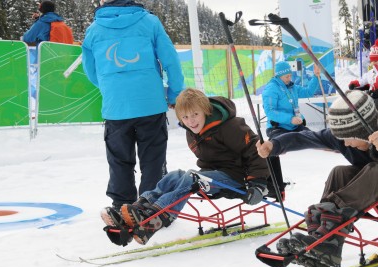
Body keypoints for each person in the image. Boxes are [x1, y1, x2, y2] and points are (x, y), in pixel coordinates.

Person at [256, 90, 378, 267]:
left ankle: (326, 236)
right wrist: (274, 145)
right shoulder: (345, 137)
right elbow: (307, 137)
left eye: (349, 138)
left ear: (364, 132)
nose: (345, 144)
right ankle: (322, 245)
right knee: (340, 172)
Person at [102, 88, 270, 245]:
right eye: (185, 117)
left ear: (206, 110)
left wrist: (258, 184)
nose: (191, 121)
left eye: (195, 114)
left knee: (191, 176)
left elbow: (256, 150)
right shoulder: (193, 132)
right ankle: (139, 209)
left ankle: (155, 217)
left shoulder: (231, 126)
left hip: (238, 180)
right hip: (214, 176)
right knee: (175, 175)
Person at [82, 0, 185, 211]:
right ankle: (151, 206)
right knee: (153, 159)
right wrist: (174, 94)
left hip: (116, 106)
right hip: (150, 103)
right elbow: (170, 60)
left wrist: (111, 88)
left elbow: (91, 70)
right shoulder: (149, 22)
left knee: (119, 159)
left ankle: (122, 205)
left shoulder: (94, 30)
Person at [262, 61, 320, 139]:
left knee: (313, 138)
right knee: (288, 144)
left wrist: (316, 77)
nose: (289, 78)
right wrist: (290, 119)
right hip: (277, 128)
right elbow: (270, 111)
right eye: (287, 76)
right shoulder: (271, 88)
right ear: (279, 76)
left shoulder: (292, 87)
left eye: (290, 75)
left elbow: (308, 92)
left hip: (293, 127)